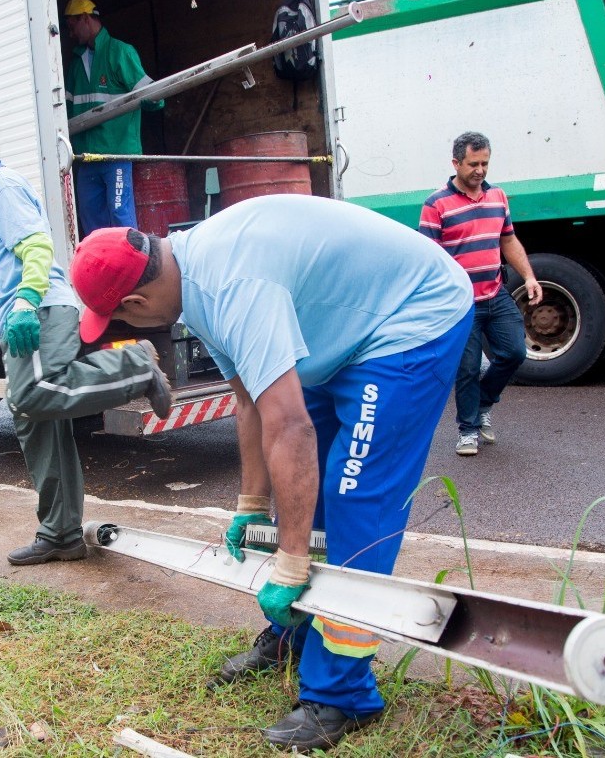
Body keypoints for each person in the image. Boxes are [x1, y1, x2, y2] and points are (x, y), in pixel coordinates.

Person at [69, 195, 474, 751]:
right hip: (345, 329)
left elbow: (291, 429)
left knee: (356, 494)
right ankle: (296, 631)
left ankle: (342, 694)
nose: (124, 324)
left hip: (411, 318)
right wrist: (252, 506)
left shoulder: (233, 289)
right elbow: (250, 403)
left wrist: (290, 561)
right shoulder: (192, 280)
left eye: (119, 317)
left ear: (136, 301)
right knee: (307, 492)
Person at [0, 116, 173, 566]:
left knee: (31, 394)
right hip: (20, 316)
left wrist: (26, 302)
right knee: (35, 422)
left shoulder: (0, 187)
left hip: (40, 312)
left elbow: (37, 247)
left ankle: (135, 367)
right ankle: (61, 534)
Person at [419, 131, 543, 457]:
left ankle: (483, 403)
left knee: (515, 352)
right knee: (468, 368)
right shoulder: (436, 204)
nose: (480, 170)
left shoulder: (498, 196)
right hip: (461, 303)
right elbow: (429, 258)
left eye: (485, 163)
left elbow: (508, 240)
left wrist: (529, 276)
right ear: (456, 163)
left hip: (495, 293)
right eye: (473, 164)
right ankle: (468, 430)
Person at [63, 0, 164, 236]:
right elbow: (63, 110)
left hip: (115, 152)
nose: (70, 34)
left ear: (85, 19)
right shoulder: (76, 65)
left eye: (72, 26)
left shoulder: (120, 52)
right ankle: (102, 261)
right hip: (87, 156)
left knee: (120, 215)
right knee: (91, 221)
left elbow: (154, 96)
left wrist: (154, 99)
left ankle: (131, 259)